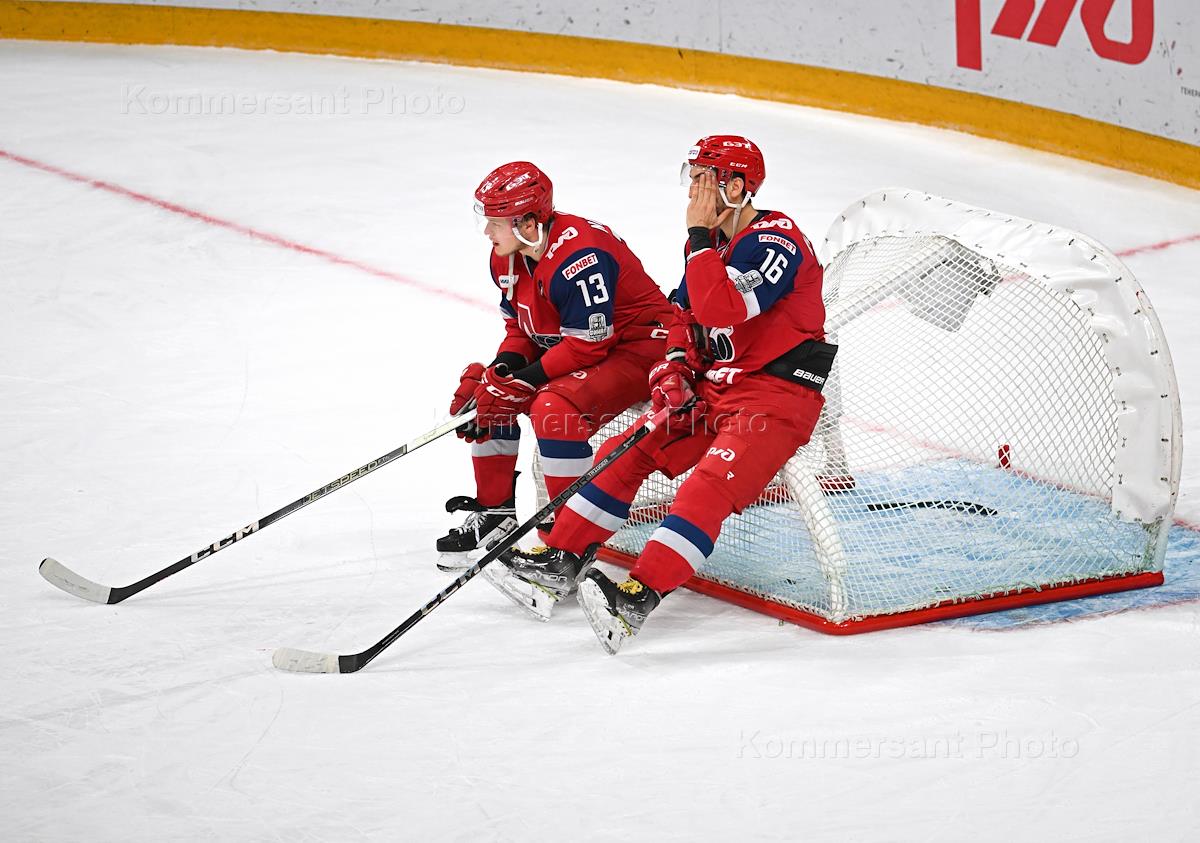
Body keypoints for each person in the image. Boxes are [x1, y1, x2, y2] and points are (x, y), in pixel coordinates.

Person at [486, 137, 836, 653]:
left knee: (706, 489)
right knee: (622, 455)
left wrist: (698, 236)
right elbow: (683, 315)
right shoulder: (707, 245)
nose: (692, 194)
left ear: (737, 187)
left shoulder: (776, 241)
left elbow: (720, 308)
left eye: (702, 181)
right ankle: (560, 559)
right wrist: (674, 365)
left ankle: (636, 597)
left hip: (776, 397)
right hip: (714, 388)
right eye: (690, 180)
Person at [436, 161, 671, 571]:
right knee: (491, 391)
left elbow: (587, 346)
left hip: (642, 348)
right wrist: (504, 372)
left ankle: (568, 544)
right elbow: (521, 328)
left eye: (496, 222)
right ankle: (496, 515)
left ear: (528, 223)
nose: (487, 231)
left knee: (552, 407)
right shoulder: (507, 257)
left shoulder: (581, 256)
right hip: (591, 347)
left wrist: (524, 381)